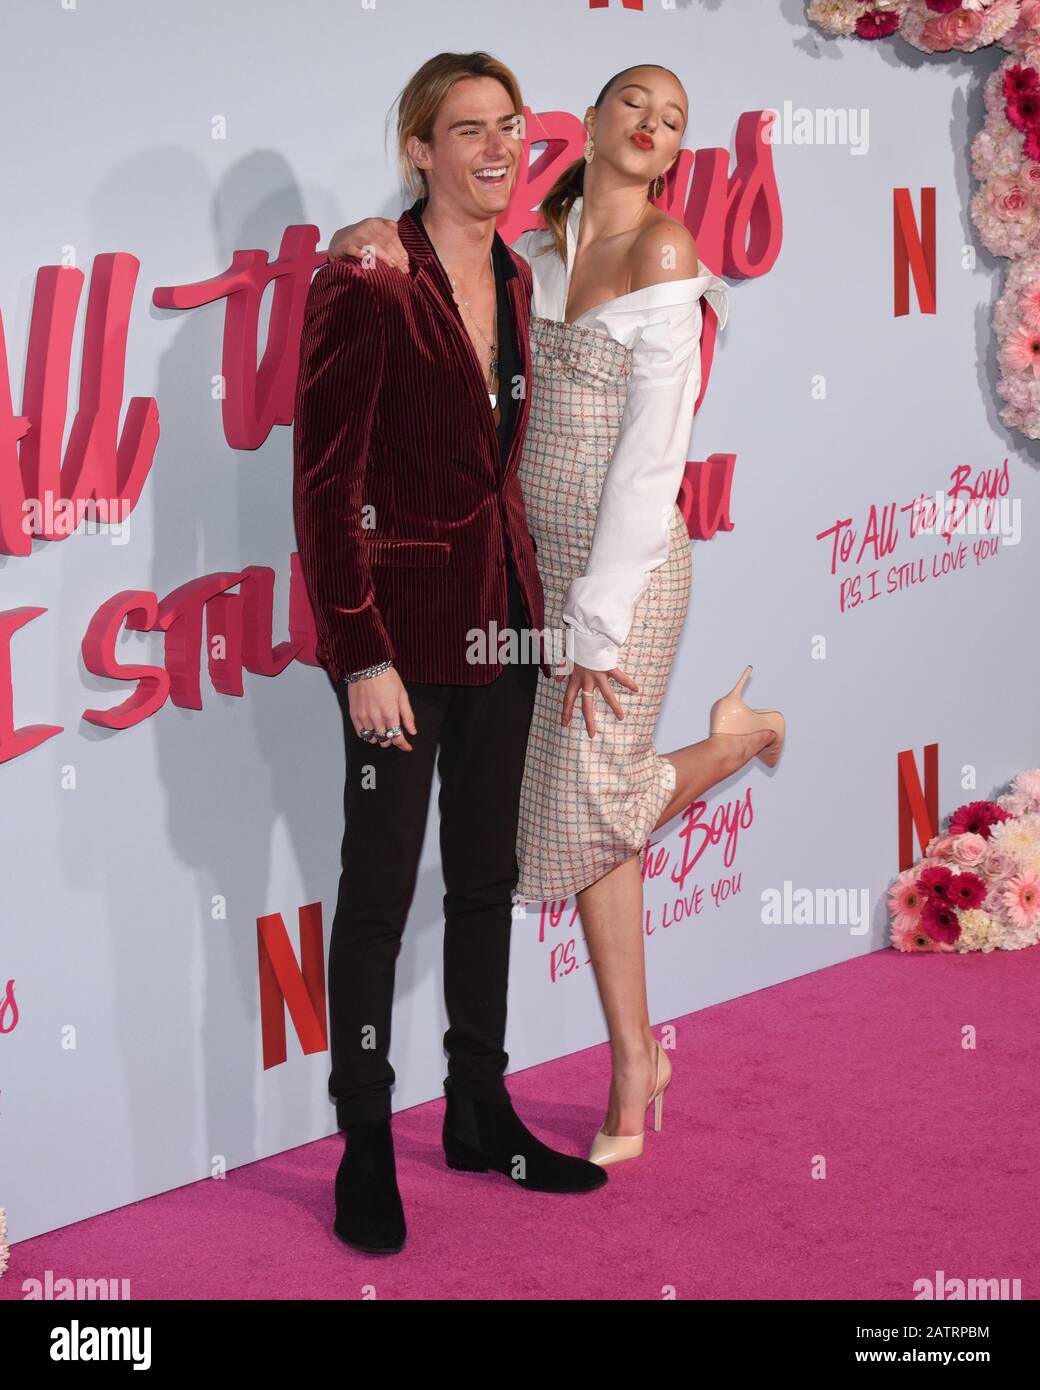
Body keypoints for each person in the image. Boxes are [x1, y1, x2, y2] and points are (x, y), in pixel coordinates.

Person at [328, 62, 787, 1171]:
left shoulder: (664, 252)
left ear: (677, 154)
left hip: (617, 577)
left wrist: (592, 618)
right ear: (583, 122)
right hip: (514, 580)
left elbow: (649, 463)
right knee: (561, 827)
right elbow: (422, 293)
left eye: (674, 117)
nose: (651, 123)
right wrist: (362, 233)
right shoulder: (530, 248)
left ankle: (734, 743)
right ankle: (617, 1056)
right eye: (633, 100)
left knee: (583, 799)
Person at [292, 51, 608, 1258]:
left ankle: (479, 1108)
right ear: (418, 148)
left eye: (508, 126)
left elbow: (496, 473)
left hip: (502, 626)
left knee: (483, 882)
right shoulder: (368, 276)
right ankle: (365, 1138)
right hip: (396, 642)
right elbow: (327, 489)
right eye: (465, 127)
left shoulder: (521, 280)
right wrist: (359, 652)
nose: (493, 146)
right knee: (377, 895)